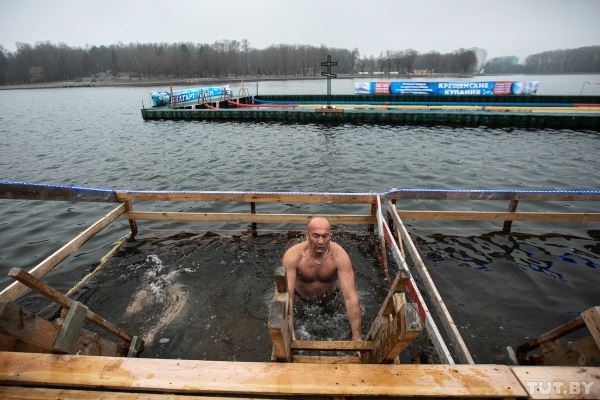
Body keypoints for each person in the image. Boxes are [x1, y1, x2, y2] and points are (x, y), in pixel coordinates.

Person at [282, 217, 362, 342]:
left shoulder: (339, 256)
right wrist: (291, 335)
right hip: (301, 301)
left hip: (330, 298)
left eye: (325, 236)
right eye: (316, 236)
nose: (320, 241)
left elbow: (350, 297)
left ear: (331, 235)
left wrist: (357, 336)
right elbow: (288, 297)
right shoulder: (293, 256)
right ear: (307, 235)